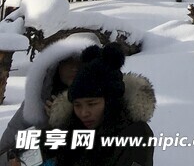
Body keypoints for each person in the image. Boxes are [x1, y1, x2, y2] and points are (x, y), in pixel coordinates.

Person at [46, 44, 156, 166]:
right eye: (77, 105)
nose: (84, 113)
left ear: (110, 102)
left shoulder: (135, 133)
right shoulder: (72, 130)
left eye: (92, 104)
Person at [0, 37, 94, 165]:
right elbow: (4, 151)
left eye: (80, 62)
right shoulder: (37, 101)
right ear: (56, 65)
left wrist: (65, 119)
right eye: (67, 62)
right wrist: (13, 160)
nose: (74, 68)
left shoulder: (104, 101)